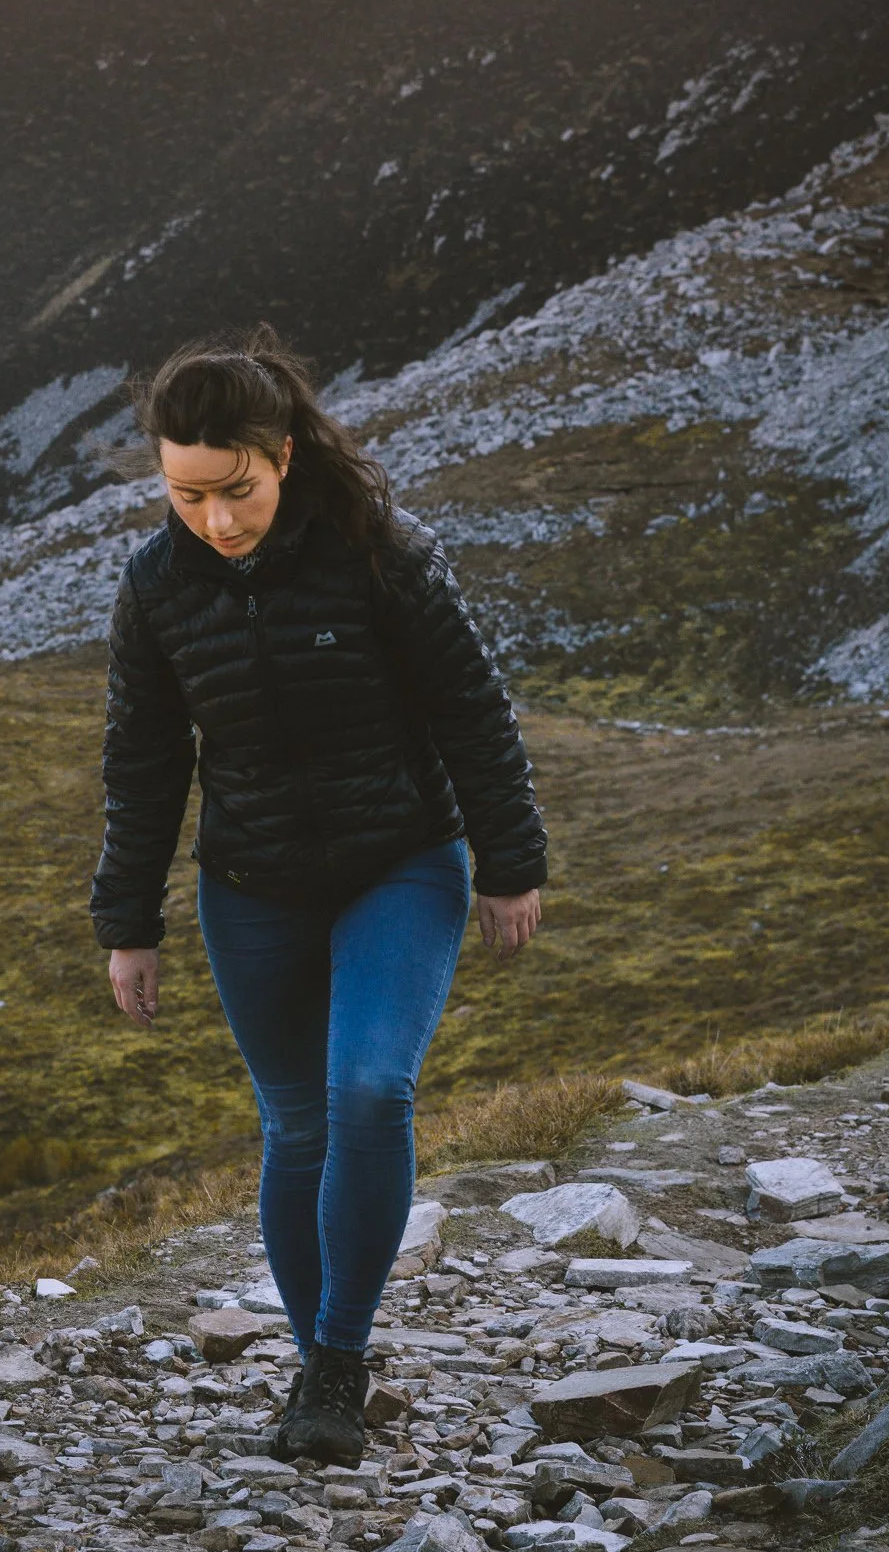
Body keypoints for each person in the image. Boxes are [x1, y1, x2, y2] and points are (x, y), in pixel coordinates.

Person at [90, 327, 547, 1467]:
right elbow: (143, 761)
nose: (217, 520)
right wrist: (126, 924)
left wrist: (508, 861)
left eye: (235, 489)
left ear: (283, 454)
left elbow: (470, 709)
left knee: (366, 1090)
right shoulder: (154, 587)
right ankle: (319, 1374)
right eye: (186, 494)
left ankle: (339, 1355)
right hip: (250, 886)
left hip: (401, 860)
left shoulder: (379, 550)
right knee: (295, 1126)